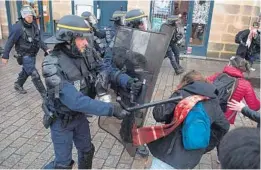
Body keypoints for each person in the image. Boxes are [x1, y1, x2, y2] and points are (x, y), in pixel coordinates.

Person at [42, 15, 142, 169]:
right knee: (62, 164)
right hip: (61, 121)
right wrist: (111, 109)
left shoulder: (86, 53)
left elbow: (105, 69)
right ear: (68, 38)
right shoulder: (52, 64)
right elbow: (75, 101)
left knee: (87, 151)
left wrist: (126, 81)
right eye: (82, 38)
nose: (86, 42)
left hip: (79, 117)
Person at [143, 70, 229, 169]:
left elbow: (159, 115)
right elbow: (224, 126)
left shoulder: (181, 94)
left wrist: (172, 96)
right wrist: (206, 145)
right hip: (191, 158)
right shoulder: (213, 100)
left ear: (186, 81)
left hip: (169, 155)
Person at [1, 5, 50, 97]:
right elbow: (9, 42)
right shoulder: (17, 27)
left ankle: (18, 84)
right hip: (24, 55)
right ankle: (45, 94)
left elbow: (38, 39)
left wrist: (46, 49)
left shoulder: (34, 25)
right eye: (28, 16)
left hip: (33, 54)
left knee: (27, 71)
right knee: (34, 73)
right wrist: (5, 56)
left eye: (31, 16)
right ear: (23, 16)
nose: (30, 18)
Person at [207, 56, 260, 124]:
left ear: (229, 64)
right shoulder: (245, 85)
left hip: (208, 112)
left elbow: (203, 86)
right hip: (225, 119)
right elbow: (255, 107)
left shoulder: (217, 76)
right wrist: (243, 107)